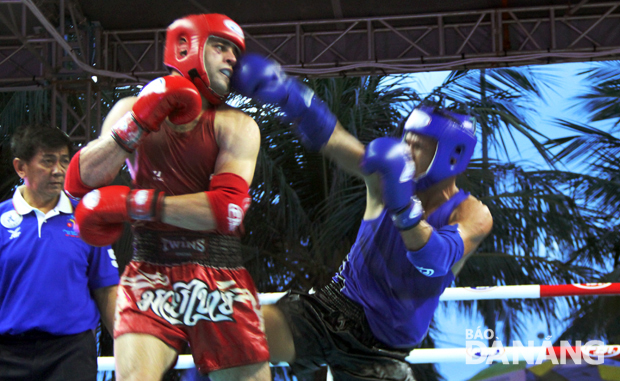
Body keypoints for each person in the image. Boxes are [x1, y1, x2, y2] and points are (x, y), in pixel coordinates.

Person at [231, 54, 494, 380]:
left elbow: (435, 259)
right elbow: (336, 141)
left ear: (452, 155)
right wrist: (289, 95)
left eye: (418, 146)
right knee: (234, 339)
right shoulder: (387, 174)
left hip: (382, 349)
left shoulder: (472, 213)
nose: (406, 152)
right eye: (406, 141)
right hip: (330, 310)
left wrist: (403, 209)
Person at [63, 14, 270, 381]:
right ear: (186, 47)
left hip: (219, 273)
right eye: (221, 47)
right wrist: (139, 122)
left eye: (235, 53)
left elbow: (228, 211)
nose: (232, 60)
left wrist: (135, 204)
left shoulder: (236, 124)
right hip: (150, 271)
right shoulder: (130, 109)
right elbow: (81, 180)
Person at [0, 124, 119, 381]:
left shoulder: (88, 219)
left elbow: (107, 289)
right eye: (47, 161)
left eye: (64, 161)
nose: (58, 170)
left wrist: (127, 346)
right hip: (6, 353)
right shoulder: (0, 220)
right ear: (20, 167)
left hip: (71, 352)